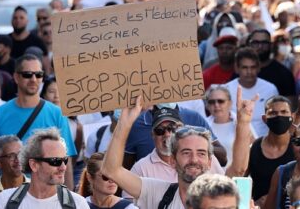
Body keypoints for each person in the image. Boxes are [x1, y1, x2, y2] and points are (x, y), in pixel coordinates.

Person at [102, 86, 256, 209]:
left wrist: (243, 122)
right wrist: (124, 122)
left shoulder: (220, 195)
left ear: (210, 162)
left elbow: (239, 169)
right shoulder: (157, 192)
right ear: (174, 160)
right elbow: (111, 170)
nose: (194, 159)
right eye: (186, 152)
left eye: (201, 153)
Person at [0, 54, 76, 189]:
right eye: (27, 74)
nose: (33, 79)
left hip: (47, 194)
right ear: (16, 77)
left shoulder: (57, 114)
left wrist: (69, 197)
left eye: (38, 74)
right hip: (9, 194)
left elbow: (66, 161)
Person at [0, 128, 89, 209]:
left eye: (65, 160)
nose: (63, 167)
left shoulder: (78, 204)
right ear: (34, 165)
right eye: (55, 161)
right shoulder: (4, 201)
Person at [40, 76, 84, 186]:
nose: (56, 96)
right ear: (44, 94)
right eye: (51, 91)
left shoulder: (76, 124)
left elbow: (72, 160)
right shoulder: (39, 120)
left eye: (60, 91)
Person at [225, 46, 278, 136]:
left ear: (258, 68)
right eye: (244, 67)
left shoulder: (270, 89)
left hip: (264, 143)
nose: (249, 71)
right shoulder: (226, 89)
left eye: (253, 67)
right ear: (237, 69)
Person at [205, 85, 255, 165]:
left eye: (220, 101)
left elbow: (254, 149)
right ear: (207, 106)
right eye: (212, 102)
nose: (216, 105)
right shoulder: (202, 125)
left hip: (237, 174)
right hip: (211, 175)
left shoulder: (241, 122)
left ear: (230, 103)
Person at [246, 29, 296, 106]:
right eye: (255, 43)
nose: (260, 47)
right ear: (249, 45)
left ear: (271, 45)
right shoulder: (241, 72)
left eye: (264, 43)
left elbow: (289, 107)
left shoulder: (284, 74)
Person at [8, 6, 50, 72]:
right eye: (15, 18)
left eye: (21, 18)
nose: (18, 20)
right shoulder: (7, 41)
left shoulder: (37, 42)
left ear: (27, 21)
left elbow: (46, 66)